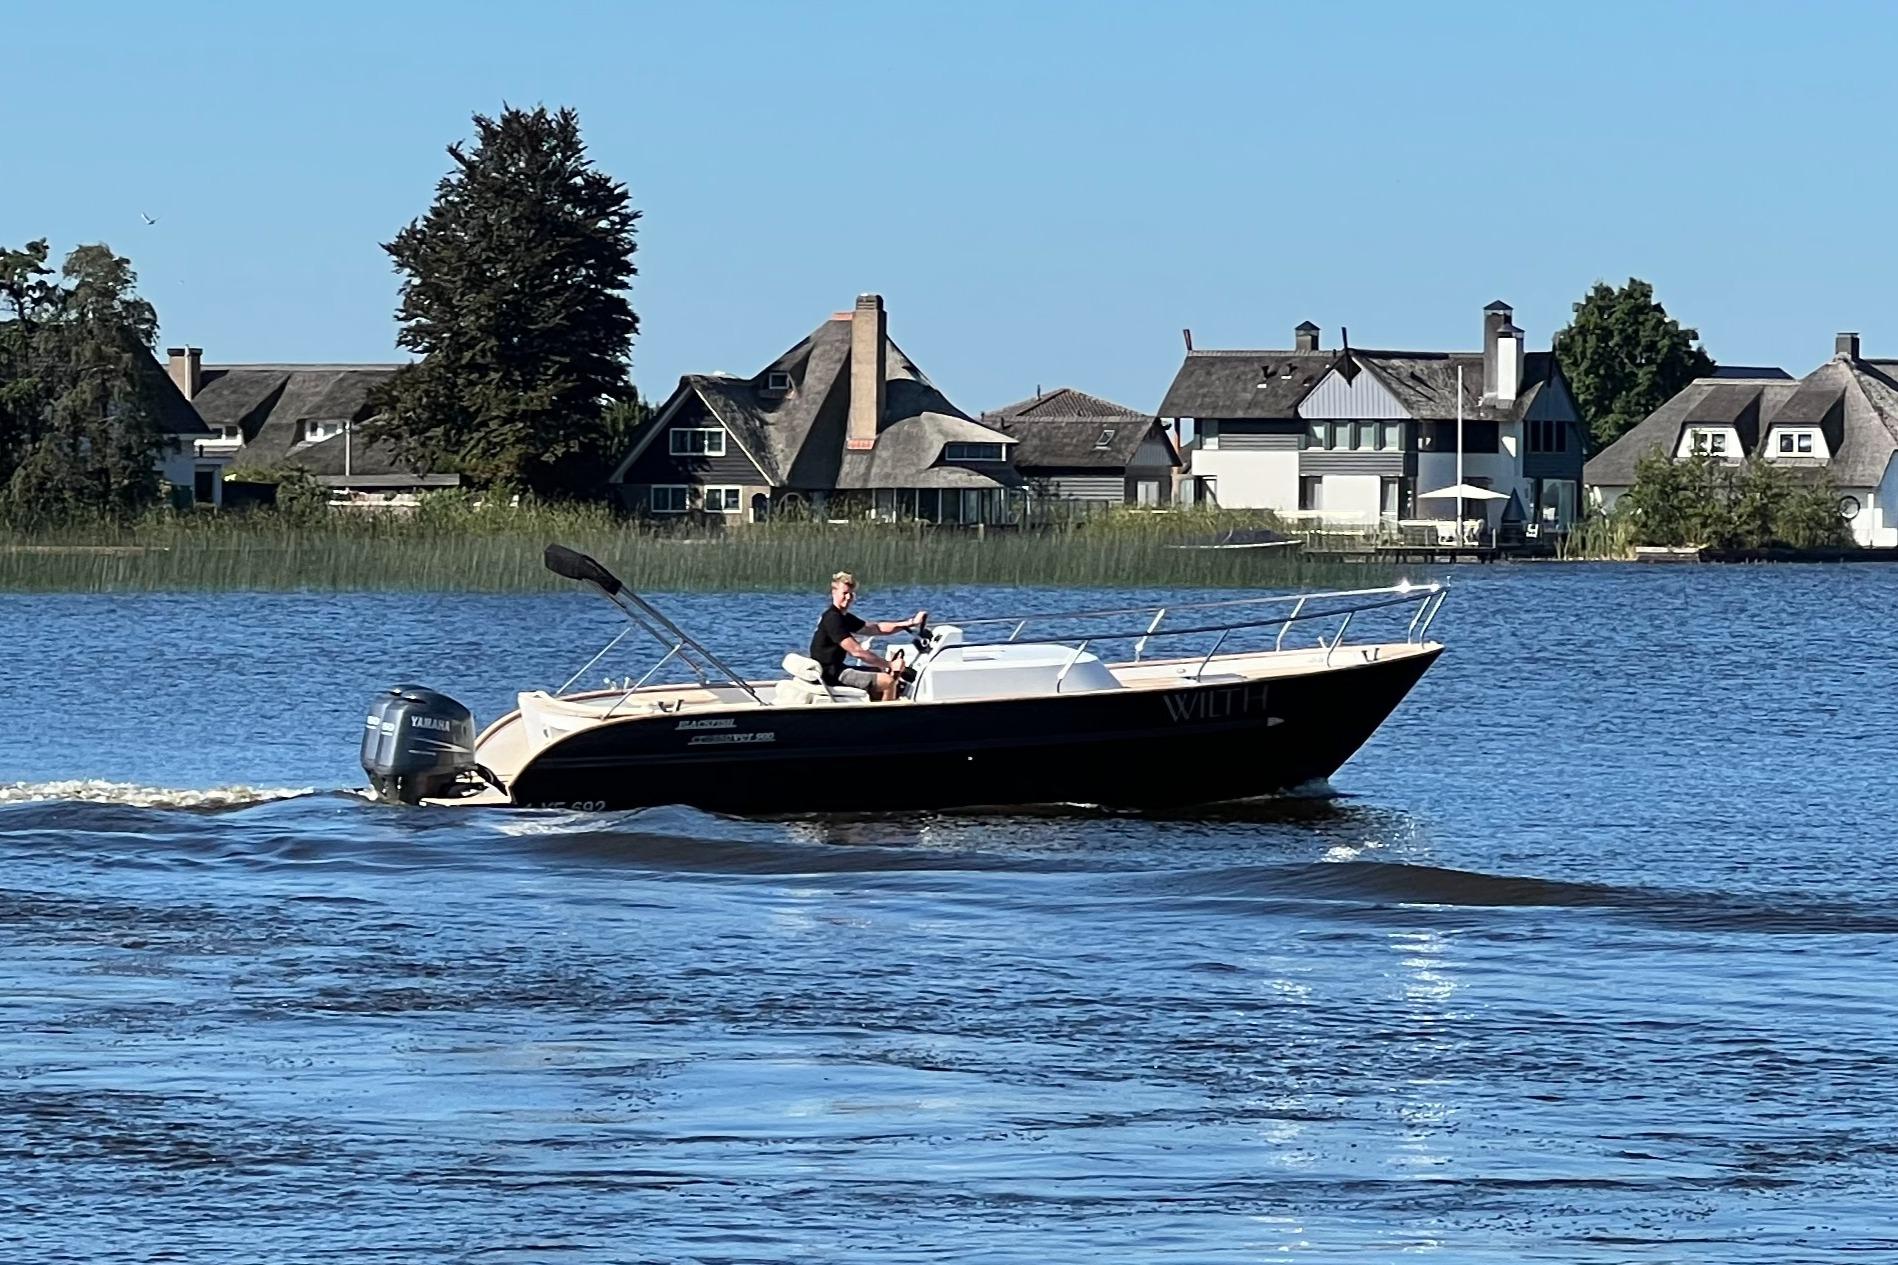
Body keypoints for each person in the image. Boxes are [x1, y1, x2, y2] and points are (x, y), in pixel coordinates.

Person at [810, 571, 926, 702]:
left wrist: (909, 623)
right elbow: (857, 651)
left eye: (851, 594)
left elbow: (876, 628)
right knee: (888, 681)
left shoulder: (843, 617)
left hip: (835, 669)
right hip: (831, 674)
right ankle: (888, 717)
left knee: (876, 669)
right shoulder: (832, 619)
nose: (848, 597)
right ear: (834, 593)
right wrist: (890, 664)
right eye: (844, 593)